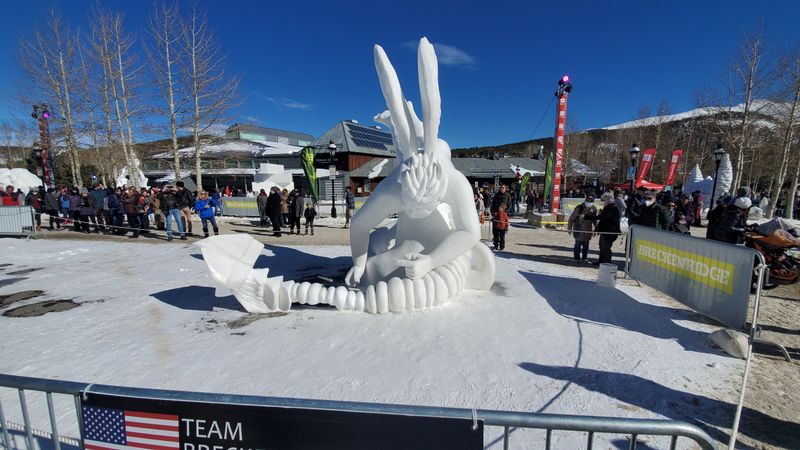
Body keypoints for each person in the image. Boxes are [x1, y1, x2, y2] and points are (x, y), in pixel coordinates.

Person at [585, 192, 621, 265]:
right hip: (605, 230)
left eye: (603, 200)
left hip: (610, 231)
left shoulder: (612, 207)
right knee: (602, 246)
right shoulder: (608, 207)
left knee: (606, 247)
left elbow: (602, 217)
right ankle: (601, 261)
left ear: (608, 199)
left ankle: (606, 262)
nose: (602, 201)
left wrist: (587, 217)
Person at [567, 194, 597, 262]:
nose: (589, 202)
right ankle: (576, 258)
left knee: (586, 245)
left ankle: (584, 258)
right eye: (588, 200)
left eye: (591, 200)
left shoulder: (594, 209)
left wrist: (595, 229)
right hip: (579, 229)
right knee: (578, 244)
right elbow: (571, 219)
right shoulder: (579, 207)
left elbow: (595, 220)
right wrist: (569, 229)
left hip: (588, 230)